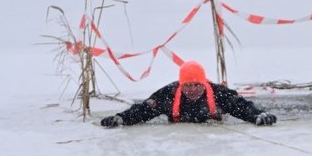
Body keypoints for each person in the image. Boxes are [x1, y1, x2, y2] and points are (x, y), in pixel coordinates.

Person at [100, 60, 277, 128]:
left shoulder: (219, 93)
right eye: (187, 85)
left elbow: (242, 106)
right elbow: (143, 110)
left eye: (197, 85)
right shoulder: (168, 94)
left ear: (204, 83)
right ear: (180, 84)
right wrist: (120, 118)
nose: (192, 90)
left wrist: (258, 115)